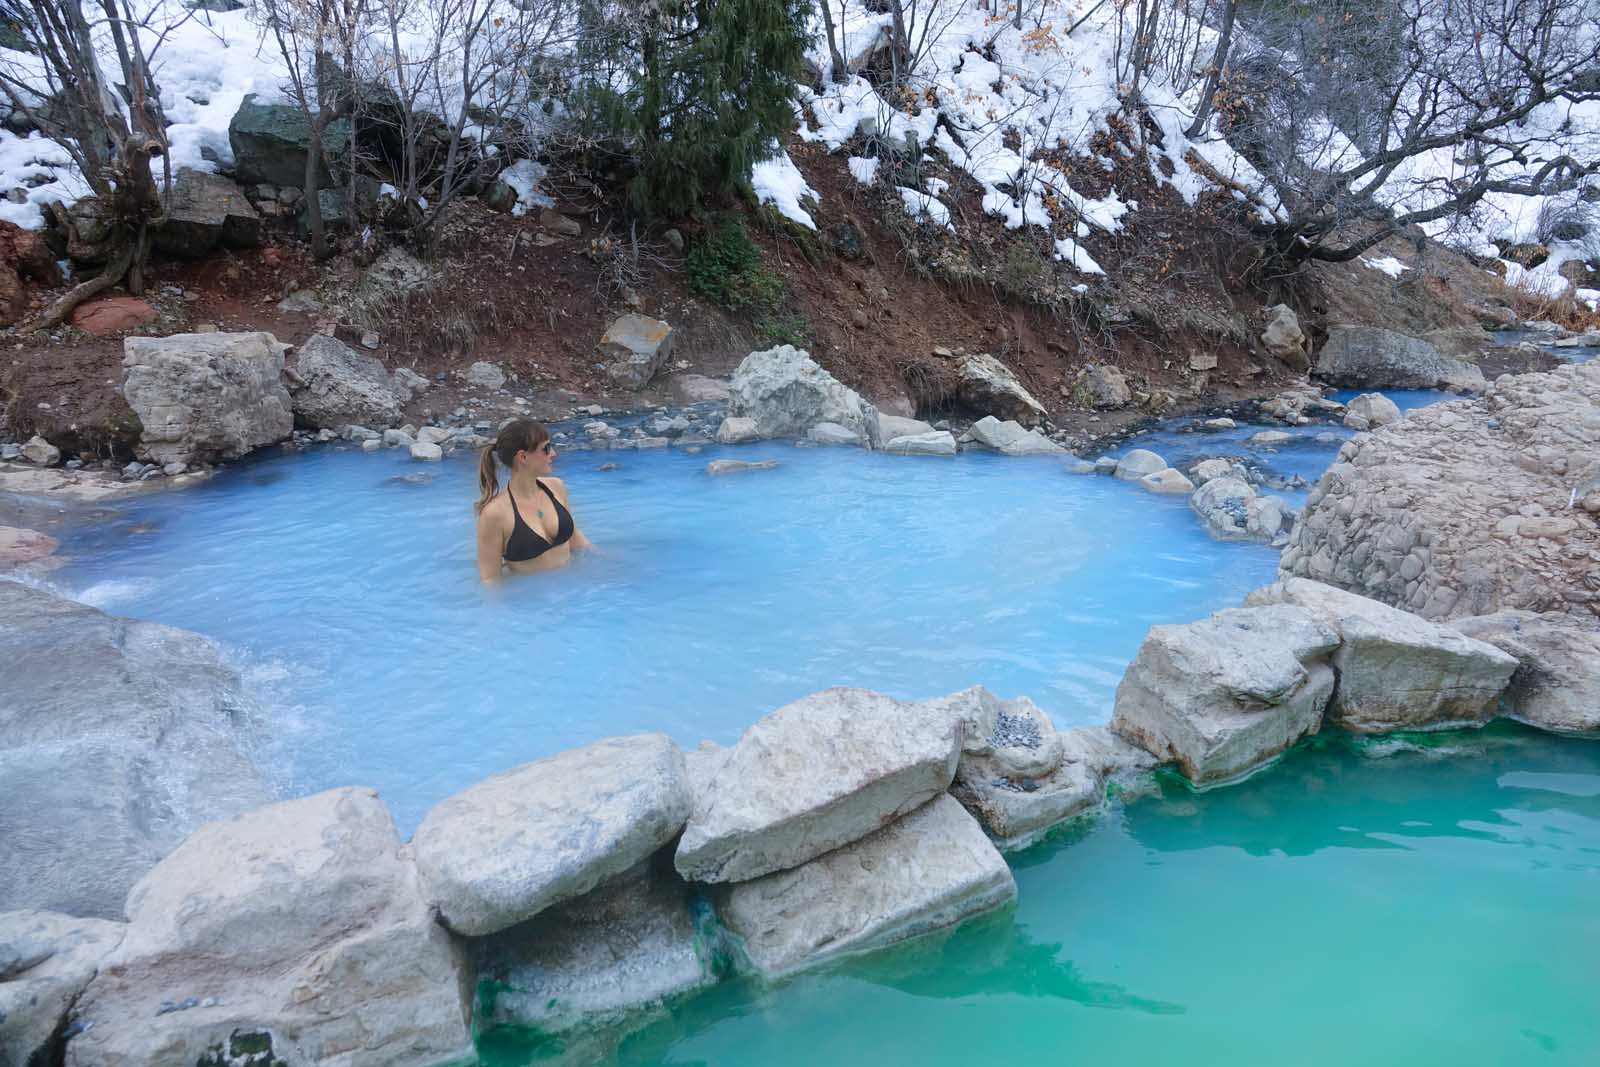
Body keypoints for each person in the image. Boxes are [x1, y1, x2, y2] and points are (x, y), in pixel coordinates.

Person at [475, 419, 591, 581]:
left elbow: (575, 539)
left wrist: (604, 563)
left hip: (576, 591)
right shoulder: (494, 514)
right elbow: (490, 580)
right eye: (546, 449)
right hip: (533, 602)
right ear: (523, 456)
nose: (554, 454)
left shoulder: (556, 487)